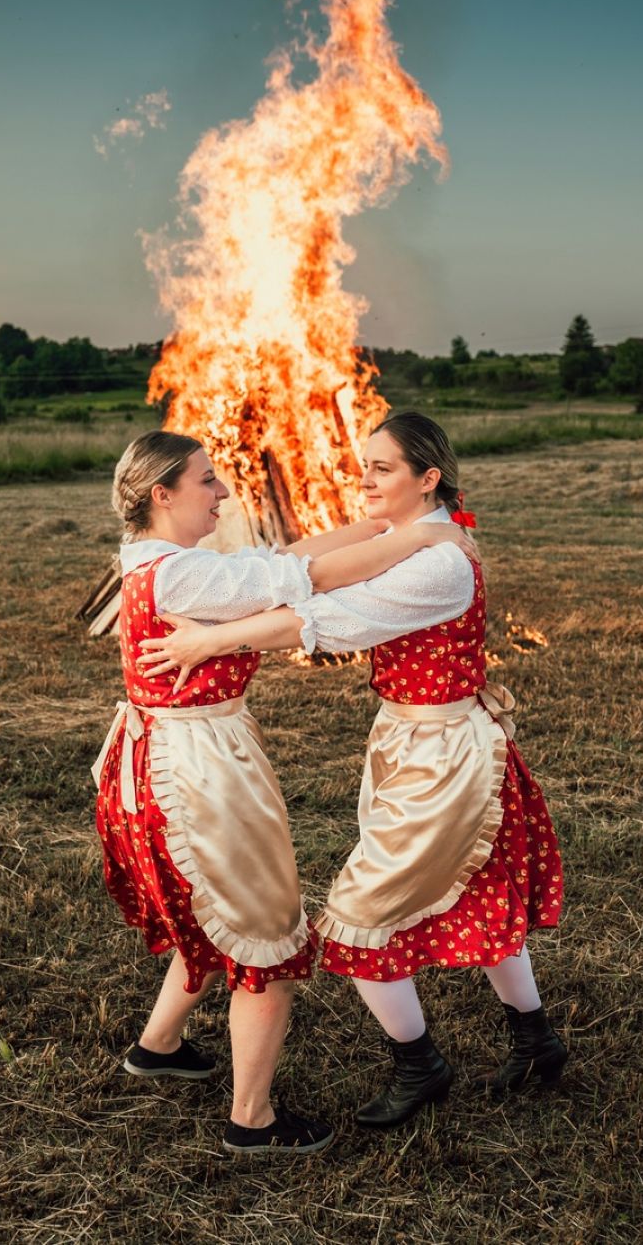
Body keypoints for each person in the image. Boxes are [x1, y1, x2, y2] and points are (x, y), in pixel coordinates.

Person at [136, 412, 566, 1131]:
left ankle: (419, 1064)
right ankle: (536, 1039)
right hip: (412, 740)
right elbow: (303, 569)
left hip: (444, 753)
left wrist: (211, 641)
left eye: (382, 468)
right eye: (364, 465)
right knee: (478, 884)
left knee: (358, 918)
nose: (363, 478)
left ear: (428, 478)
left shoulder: (440, 563)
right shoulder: (417, 537)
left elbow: (328, 619)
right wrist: (362, 534)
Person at [92, 428, 472, 1156]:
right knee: (265, 933)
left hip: (172, 752)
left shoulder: (160, 561)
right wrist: (422, 538)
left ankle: (158, 1046)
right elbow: (308, 578)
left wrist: (382, 528)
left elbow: (281, 559)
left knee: (212, 913)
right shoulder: (181, 576)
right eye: (207, 480)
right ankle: (253, 1121)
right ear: (162, 494)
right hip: (200, 766)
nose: (223, 492)